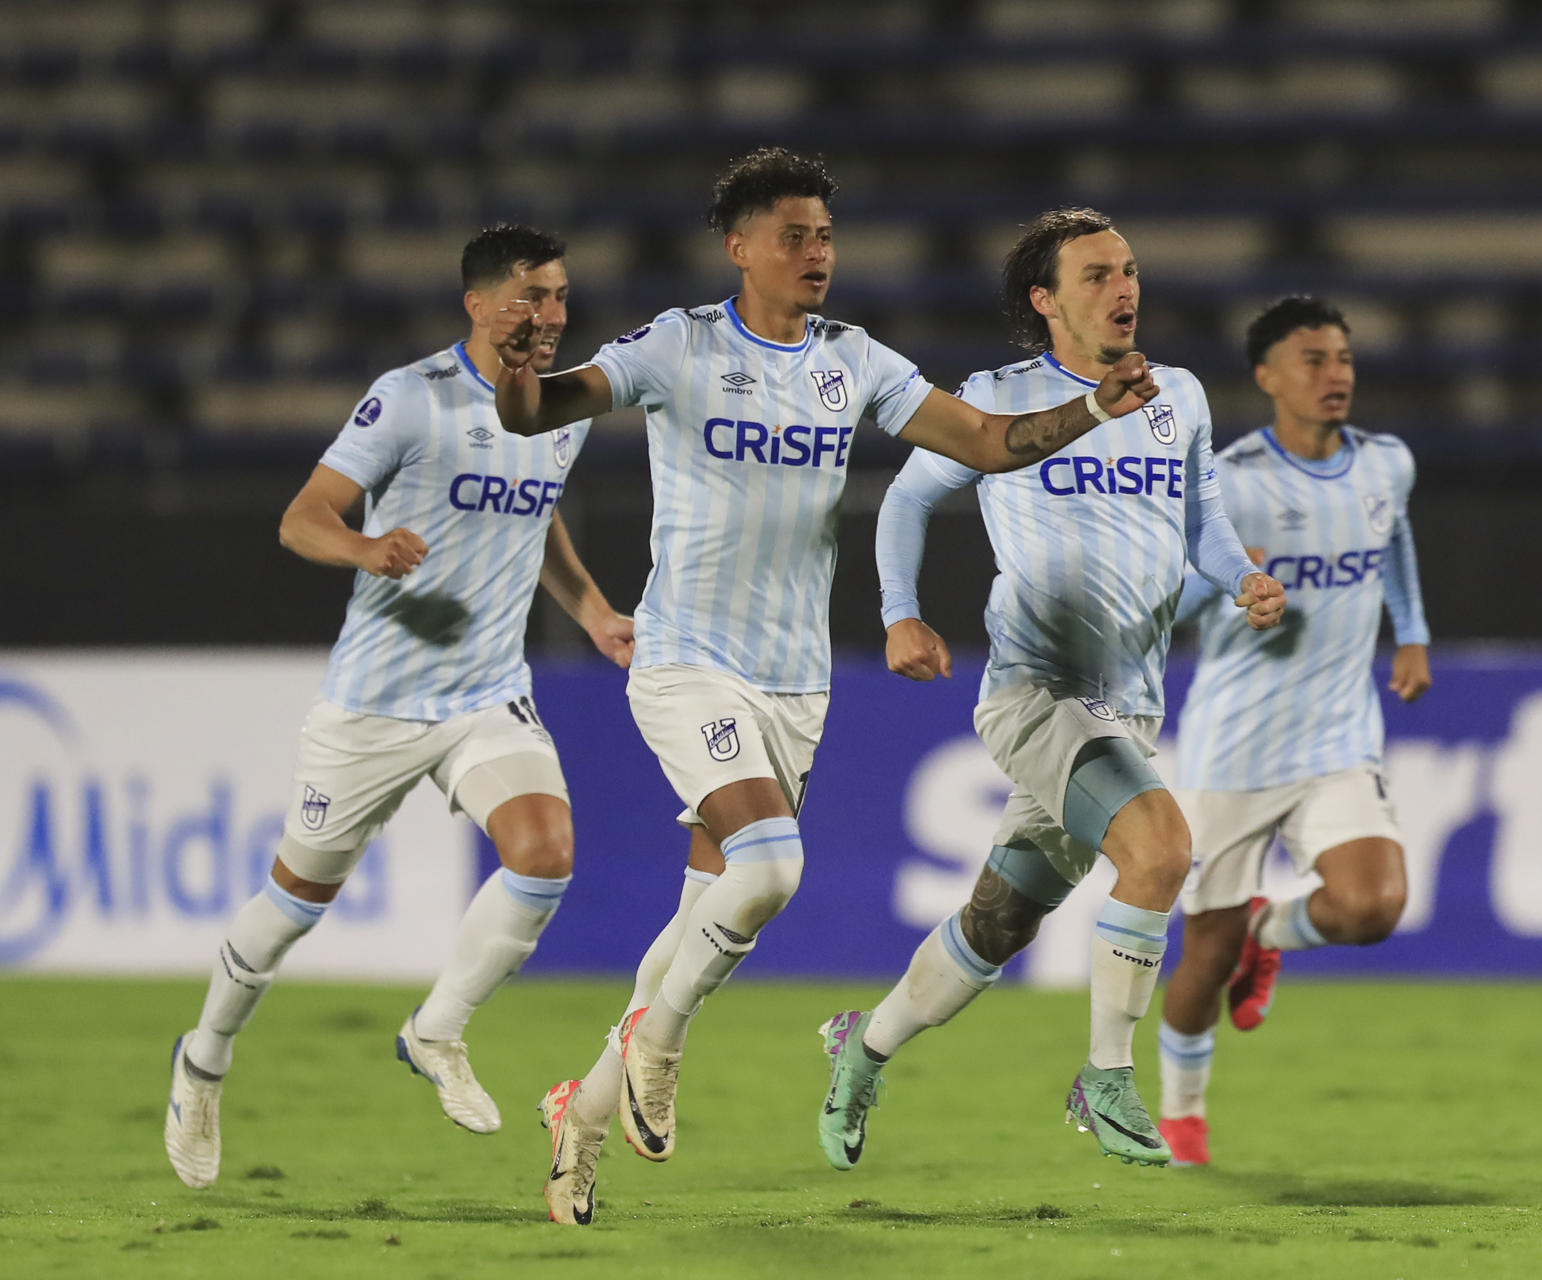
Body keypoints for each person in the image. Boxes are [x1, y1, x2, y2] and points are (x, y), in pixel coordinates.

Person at [484, 151, 1162, 1226]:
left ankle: (586, 1107)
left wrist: (1091, 412)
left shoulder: (852, 360)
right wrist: (518, 365)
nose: (817, 255)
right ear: (739, 246)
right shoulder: (681, 343)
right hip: (686, 658)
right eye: (794, 236)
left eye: (826, 237)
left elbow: (986, 441)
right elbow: (535, 413)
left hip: (794, 687)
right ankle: (658, 1045)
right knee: (769, 866)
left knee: (707, 907)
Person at [814, 208, 1286, 1173]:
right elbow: (906, 498)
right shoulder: (1000, 401)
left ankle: (861, 1049)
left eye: (1131, 270)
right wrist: (900, 610)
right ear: (1047, 299)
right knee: (1160, 850)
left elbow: (1203, 517)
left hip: (1130, 702)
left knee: (996, 925)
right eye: (1099, 274)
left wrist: (1239, 575)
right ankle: (1105, 1075)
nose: (1125, 289)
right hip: (1039, 687)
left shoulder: (1178, 397)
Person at [163, 225, 633, 1190]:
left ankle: (437, 1030)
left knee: (545, 857)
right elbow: (303, 517)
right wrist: (364, 550)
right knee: (294, 905)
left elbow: (532, 509)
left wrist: (591, 612)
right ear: (477, 304)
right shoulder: (409, 399)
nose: (549, 316)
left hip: (489, 692)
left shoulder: (563, 408)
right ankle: (203, 1058)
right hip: (377, 702)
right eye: (529, 297)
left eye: (558, 297)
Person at [1155, 296, 1431, 1167]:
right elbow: (1173, 597)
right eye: (1312, 359)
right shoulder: (1230, 483)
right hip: (1233, 749)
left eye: (1343, 357)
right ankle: (1181, 1112)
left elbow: (1394, 544)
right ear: (1268, 377)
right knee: (1202, 954)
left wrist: (1412, 630)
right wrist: (1234, 583)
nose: (1335, 373)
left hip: (1339, 740)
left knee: (1374, 905)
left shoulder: (1387, 464)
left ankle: (1269, 935)